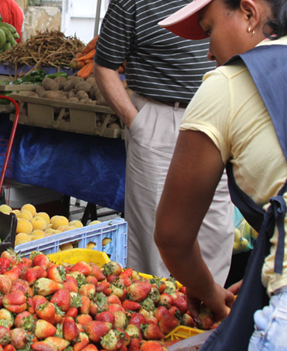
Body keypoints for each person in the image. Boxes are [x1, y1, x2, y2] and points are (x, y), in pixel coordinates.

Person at [155, 0, 287, 349]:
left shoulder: (229, 83)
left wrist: (207, 289)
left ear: (249, 14)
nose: (208, 52)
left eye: (209, 31)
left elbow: (173, 236)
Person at [93, 0, 234, 284]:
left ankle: (208, 314)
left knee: (216, 228)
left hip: (217, 117)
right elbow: (104, 65)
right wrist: (137, 122)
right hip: (159, 118)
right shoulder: (131, 2)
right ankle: (152, 315)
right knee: (153, 232)